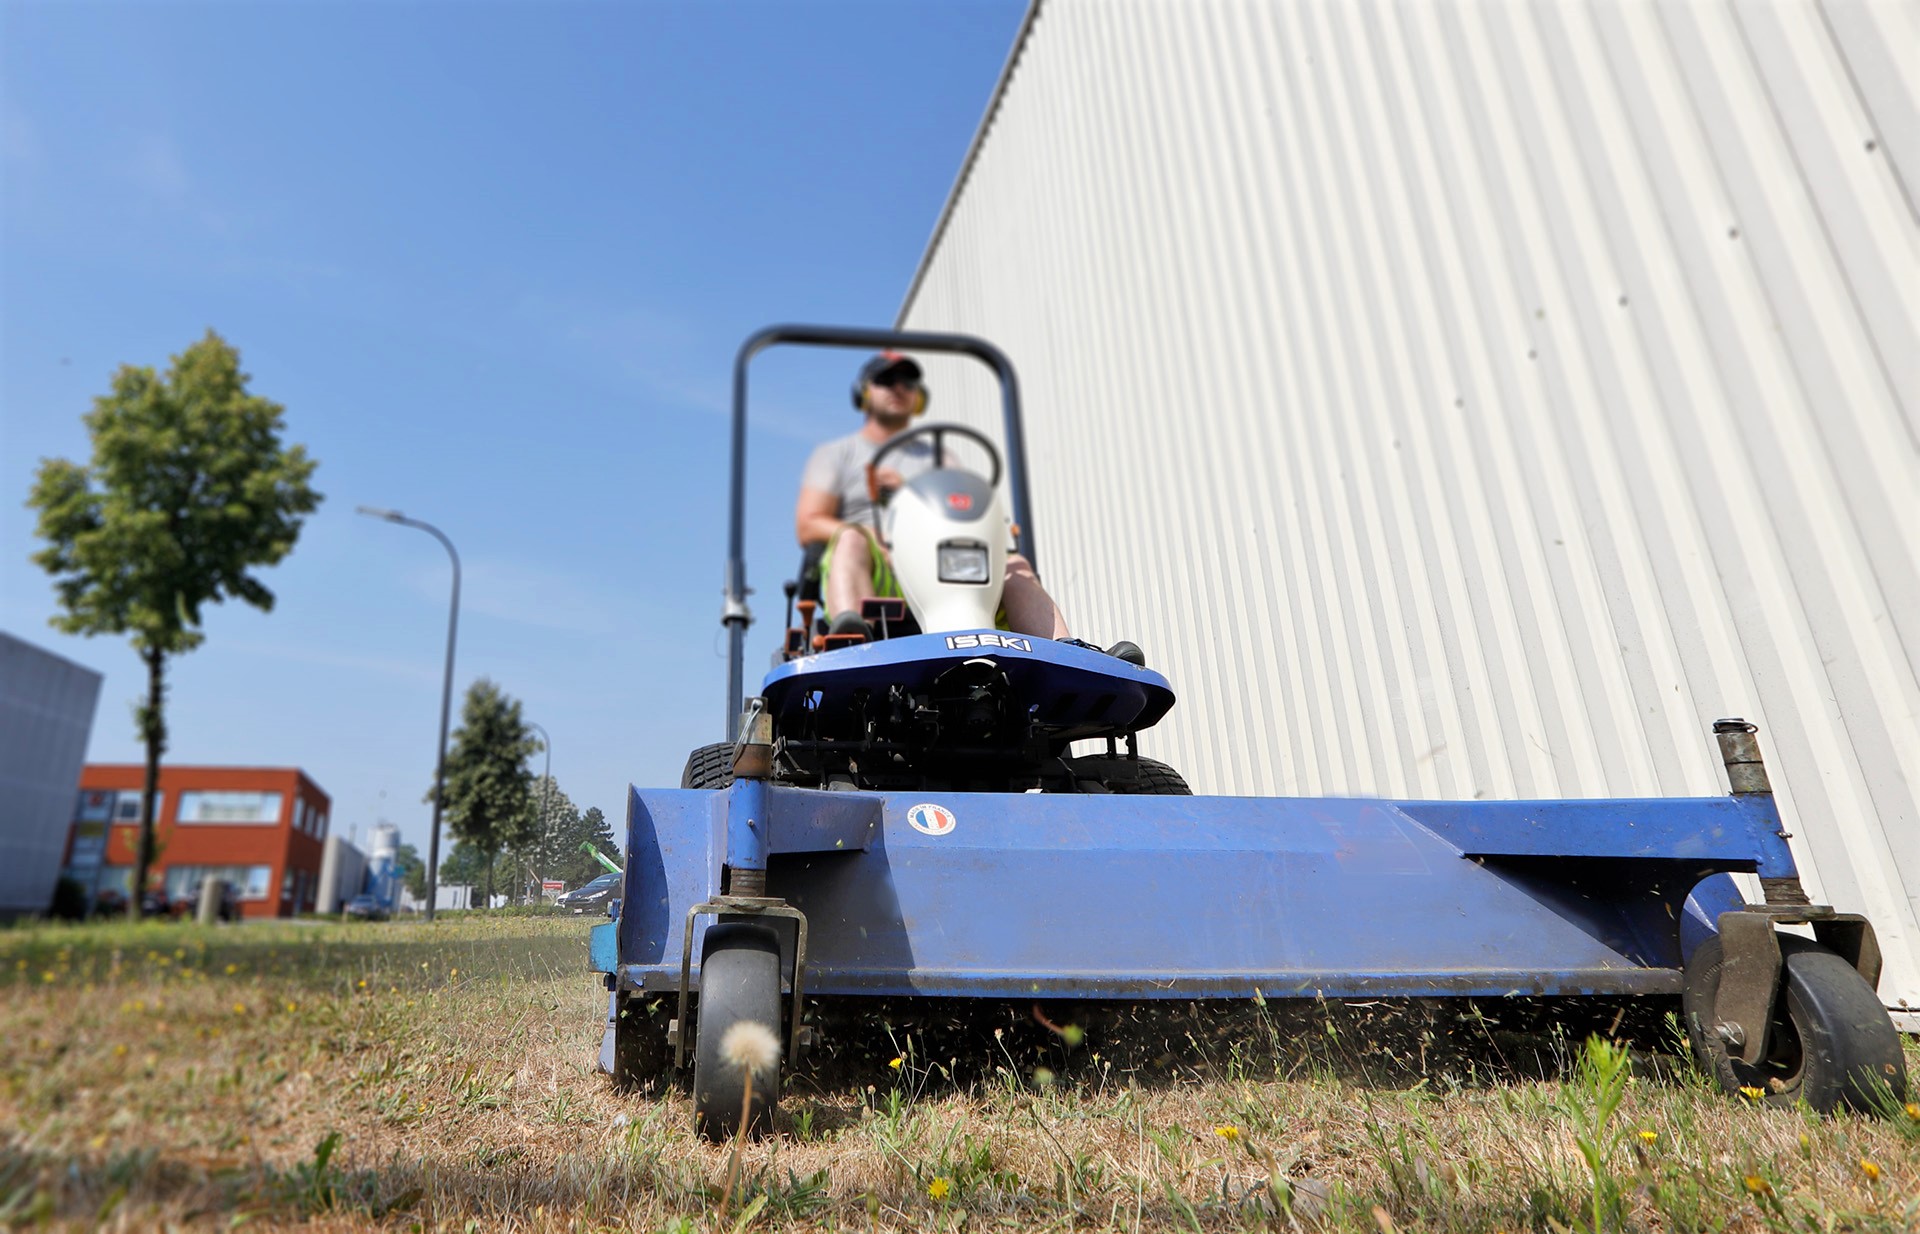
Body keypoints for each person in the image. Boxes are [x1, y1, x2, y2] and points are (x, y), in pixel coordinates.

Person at [794, 351, 1070, 640]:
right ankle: (851, 638)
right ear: (863, 392)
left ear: (918, 396)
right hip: (879, 568)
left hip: (944, 564)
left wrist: (905, 491)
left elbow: (966, 511)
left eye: (908, 382)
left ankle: (1064, 649)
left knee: (1015, 564)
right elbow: (808, 524)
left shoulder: (941, 457)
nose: (898, 388)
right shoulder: (836, 455)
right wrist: (870, 533)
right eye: (886, 380)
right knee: (851, 539)